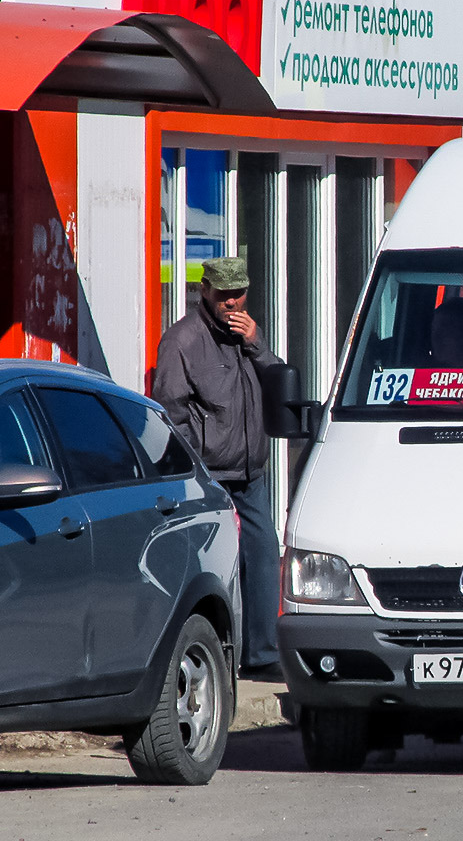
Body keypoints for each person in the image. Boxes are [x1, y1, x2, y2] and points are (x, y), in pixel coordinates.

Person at [152, 256, 282, 681]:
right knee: (212, 565)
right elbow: (172, 412)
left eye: (238, 294)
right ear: (204, 290)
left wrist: (258, 344)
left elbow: (280, 381)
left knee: (262, 555)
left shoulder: (249, 336)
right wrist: (197, 471)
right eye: (223, 294)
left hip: (251, 472)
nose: (232, 303)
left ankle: (263, 654)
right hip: (210, 475)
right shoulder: (181, 341)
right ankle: (215, 656)